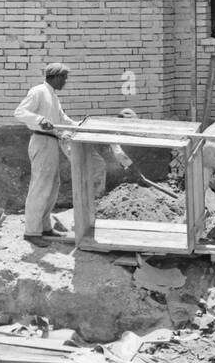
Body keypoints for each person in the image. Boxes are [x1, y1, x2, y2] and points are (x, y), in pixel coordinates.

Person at [13, 63, 128, 243]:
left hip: (51, 141)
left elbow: (63, 120)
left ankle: (45, 228)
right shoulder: (38, 91)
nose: (65, 82)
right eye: (64, 78)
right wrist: (39, 120)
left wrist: (82, 125)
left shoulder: (53, 97)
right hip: (41, 140)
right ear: (56, 76)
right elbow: (20, 112)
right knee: (41, 186)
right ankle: (31, 232)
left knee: (52, 185)